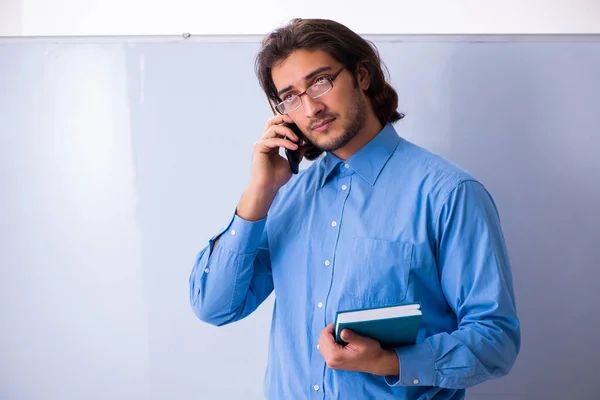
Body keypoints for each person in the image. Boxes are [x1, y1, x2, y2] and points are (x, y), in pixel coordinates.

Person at [189, 18, 520, 400]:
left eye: (320, 81)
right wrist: (258, 192)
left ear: (361, 75)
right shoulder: (287, 198)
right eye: (291, 96)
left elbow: (496, 340)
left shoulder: (448, 194)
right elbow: (214, 307)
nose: (311, 107)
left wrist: (392, 361)